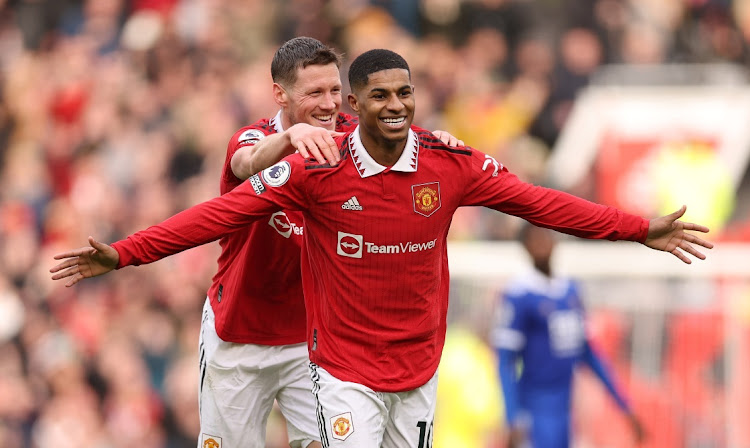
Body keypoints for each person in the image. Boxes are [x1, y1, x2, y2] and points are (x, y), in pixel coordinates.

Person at [51, 49, 712, 447]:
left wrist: (637, 228)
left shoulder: (449, 164)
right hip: (335, 368)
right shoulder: (314, 165)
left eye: (404, 94)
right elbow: (220, 211)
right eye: (380, 96)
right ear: (356, 109)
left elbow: (540, 202)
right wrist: (126, 252)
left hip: (415, 369)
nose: (395, 106)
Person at [492, 224, 645, 448]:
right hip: (534, 411)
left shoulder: (571, 290)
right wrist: (512, 417)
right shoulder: (519, 295)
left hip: (566, 409)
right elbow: (506, 361)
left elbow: (589, 354)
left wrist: (625, 406)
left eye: (545, 236)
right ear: (525, 247)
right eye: (535, 238)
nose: (542, 242)